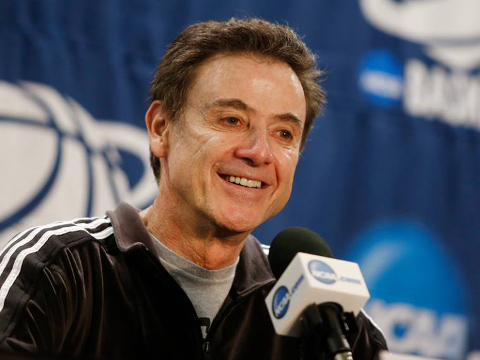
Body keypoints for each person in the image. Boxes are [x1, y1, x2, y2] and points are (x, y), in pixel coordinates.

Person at [0, 18, 387, 359]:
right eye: (232, 120)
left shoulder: (328, 316)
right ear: (160, 129)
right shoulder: (55, 270)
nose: (259, 153)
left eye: (284, 133)